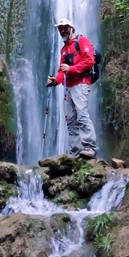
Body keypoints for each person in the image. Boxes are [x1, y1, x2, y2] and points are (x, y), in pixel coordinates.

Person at [46, 18, 97, 159]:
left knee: (82, 115)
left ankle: (90, 147)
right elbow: (62, 71)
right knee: (71, 120)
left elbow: (89, 60)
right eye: (60, 28)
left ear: (71, 28)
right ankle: (75, 151)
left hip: (81, 84)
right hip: (69, 87)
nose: (62, 30)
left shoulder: (81, 40)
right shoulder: (63, 50)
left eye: (65, 27)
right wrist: (55, 81)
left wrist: (72, 69)